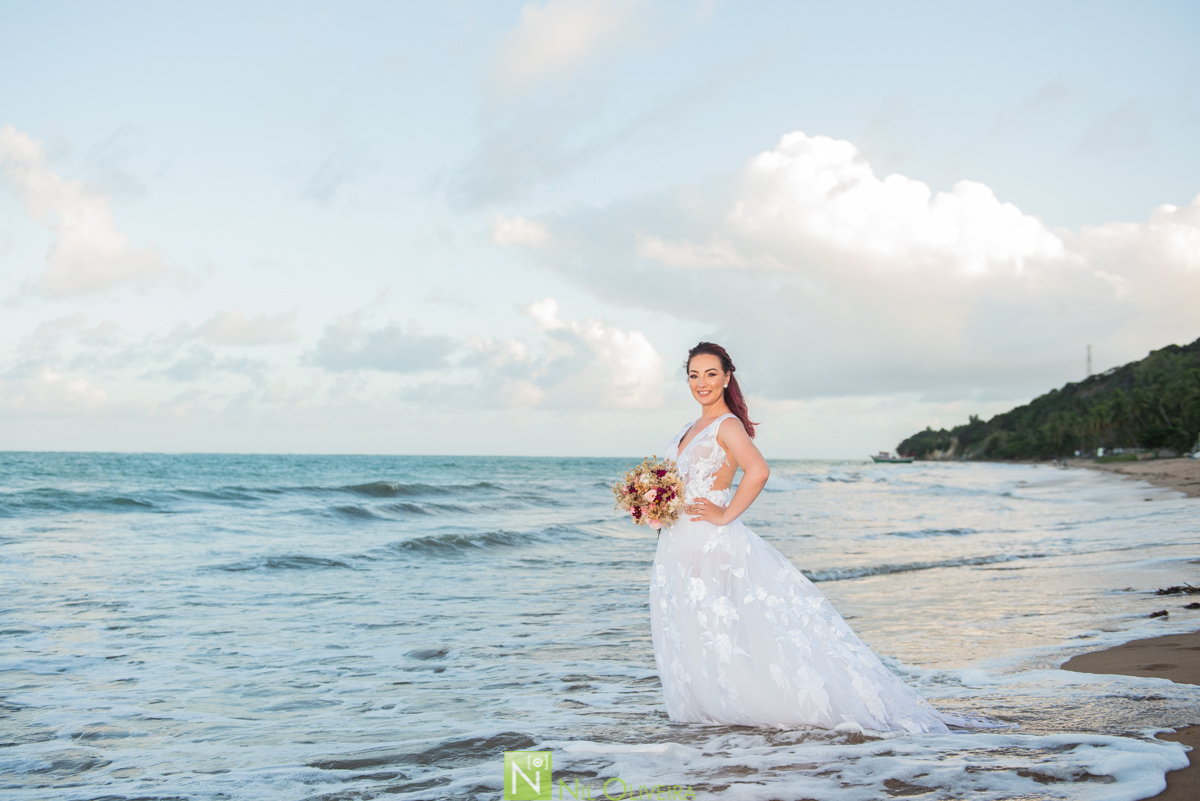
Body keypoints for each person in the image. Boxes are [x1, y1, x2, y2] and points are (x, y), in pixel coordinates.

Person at [649, 342, 985, 732]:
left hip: (711, 541)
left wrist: (724, 514)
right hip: (677, 544)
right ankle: (712, 716)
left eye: (711, 374)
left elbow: (757, 471)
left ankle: (747, 712)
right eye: (694, 375)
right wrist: (650, 504)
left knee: (723, 630)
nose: (702, 383)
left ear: (727, 378)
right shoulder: (688, 429)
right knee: (695, 629)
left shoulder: (728, 425)